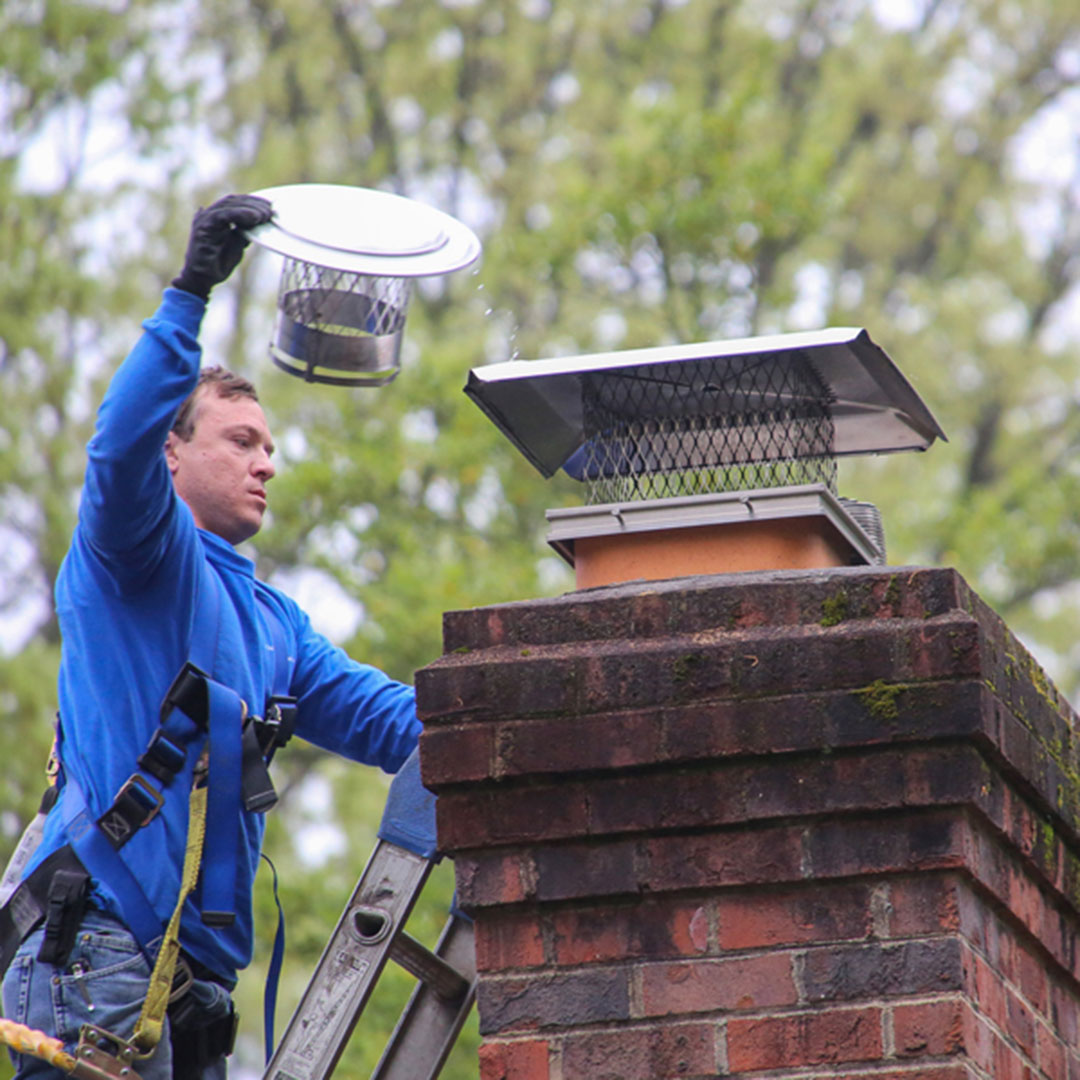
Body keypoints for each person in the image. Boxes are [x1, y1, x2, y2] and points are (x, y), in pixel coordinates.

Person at [0, 195, 421, 1079]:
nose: (267, 461)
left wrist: (525, 714)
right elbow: (114, 453)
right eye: (240, 439)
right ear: (174, 454)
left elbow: (393, 723)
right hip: (100, 956)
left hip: (190, 992)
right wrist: (190, 292)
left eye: (269, 446)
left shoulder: (274, 627)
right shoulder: (137, 560)